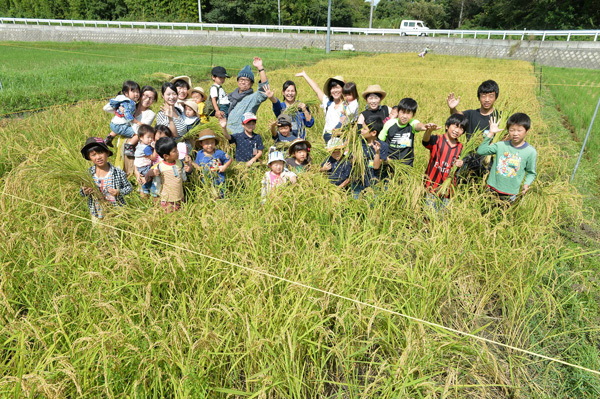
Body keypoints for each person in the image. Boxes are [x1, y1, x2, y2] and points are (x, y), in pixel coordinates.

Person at [476, 113, 537, 203]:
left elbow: (531, 172)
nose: (515, 134)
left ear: (527, 131)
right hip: (491, 189)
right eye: (512, 130)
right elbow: (481, 151)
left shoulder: (530, 152)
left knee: (505, 215)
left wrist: (526, 184)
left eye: (519, 130)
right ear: (508, 130)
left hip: (511, 194)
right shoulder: (501, 145)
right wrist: (491, 133)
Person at [447, 80, 502, 179]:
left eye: (491, 96)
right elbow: (457, 117)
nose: (487, 99)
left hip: (490, 162)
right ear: (479, 97)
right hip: (469, 159)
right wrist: (453, 108)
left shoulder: (500, 117)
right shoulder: (471, 114)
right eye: (483, 96)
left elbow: (506, 138)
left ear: (496, 97)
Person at [421, 114, 468, 209]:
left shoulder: (461, 148)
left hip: (448, 191)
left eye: (461, 128)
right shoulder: (437, 139)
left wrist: (461, 164)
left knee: (441, 218)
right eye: (455, 126)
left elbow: (462, 168)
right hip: (430, 187)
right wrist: (428, 131)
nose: (457, 130)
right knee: (427, 216)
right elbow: (425, 141)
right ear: (447, 126)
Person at [80, 137, 132, 221]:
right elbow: (82, 192)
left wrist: (119, 192)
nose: (98, 157)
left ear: (107, 153)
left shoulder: (117, 172)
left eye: (101, 153)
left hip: (115, 212)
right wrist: (84, 191)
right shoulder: (88, 174)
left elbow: (129, 187)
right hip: (96, 212)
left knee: (113, 233)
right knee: (98, 232)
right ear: (89, 157)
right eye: (93, 155)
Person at [104, 85, 157, 156]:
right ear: (140, 95)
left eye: (151, 98)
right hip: (121, 143)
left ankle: (112, 138)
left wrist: (131, 119)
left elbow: (141, 130)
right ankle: (109, 139)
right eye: (145, 96)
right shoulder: (130, 106)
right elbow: (106, 108)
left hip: (135, 148)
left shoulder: (151, 114)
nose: (147, 99)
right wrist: (119, 104)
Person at [144, 137, 193, 213]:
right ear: (166, 156)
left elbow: (185, 174)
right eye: (174, 151)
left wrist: (189, 170)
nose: (178, 152)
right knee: (170, 217)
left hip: (180, 197)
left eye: (177, 150)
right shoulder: (159, 166)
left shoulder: (179, 163)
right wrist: (152, 173)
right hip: (167, 200)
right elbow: (146, 178)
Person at [295, 71, 346, 144]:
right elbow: (316, 88)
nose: (335, 91)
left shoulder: (347, 105)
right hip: (328, 137)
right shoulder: (328, 102)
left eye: (337, 88)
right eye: (332, 88)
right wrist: (304, 75)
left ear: (343, 89)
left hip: (341, 138)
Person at [226, 58, 272, 135]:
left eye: (247, 80)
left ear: (251, 84)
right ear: (238, 81)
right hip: (227, 135)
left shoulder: (253, 98)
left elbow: (264, 89)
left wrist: (260, 68)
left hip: (242, 138)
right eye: (241, 79)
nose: (243, 82)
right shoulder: (230, 97)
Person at [378, 98, 426, 166]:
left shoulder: (412, 123)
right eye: (402, 112)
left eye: (408, 113)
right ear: (398, 112)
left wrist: (424, 127)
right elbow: (380, 141)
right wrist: (384, 157)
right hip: (389, 162)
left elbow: (418, 125)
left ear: (413, 115)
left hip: (406, 164)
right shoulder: (390, 123)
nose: (404, 116)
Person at [352, 117, 388, 198]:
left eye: (364, 129)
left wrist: (377, 152)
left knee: (372, 206)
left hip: (374, 183)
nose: (361, 130)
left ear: (374, 132)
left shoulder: (382, 146)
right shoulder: (359, 144)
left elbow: (376, 166)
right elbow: (352, 161)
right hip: (358, 182)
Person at [104, 80, 141, 148]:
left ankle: (108, 139)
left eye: (138, 92)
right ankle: (128, 148)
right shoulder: (129, 103)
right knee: (137, 134)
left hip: (114, 124)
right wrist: (138, 122)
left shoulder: (123, 100)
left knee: (119, 128)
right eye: (133, 91)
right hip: (119, 125)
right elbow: (129, 117)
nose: (136, 94)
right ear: (126, 93)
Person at [133, 125, 156, 198]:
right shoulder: (146, 148)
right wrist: (155, 148)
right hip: (145, 167)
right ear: (141, 137)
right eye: (148, 137)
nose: (151, 139)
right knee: (149, 179)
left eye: (152, 137)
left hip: (139, 167)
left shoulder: (140, 144)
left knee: (143, 186)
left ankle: (143, 194)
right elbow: (153, 157)